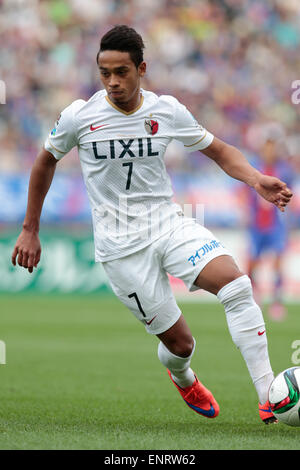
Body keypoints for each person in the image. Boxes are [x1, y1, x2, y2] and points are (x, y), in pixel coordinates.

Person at [11, 25, 292, 424]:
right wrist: (30, 228)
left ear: (141, 68)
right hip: (121, 249)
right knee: (180, 344)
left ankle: (268, 395)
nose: (112, 82)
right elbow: (45, 161)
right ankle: (183, 376)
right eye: (104, 72)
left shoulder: (166, 110)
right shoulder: (80, 115)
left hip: (169, 226)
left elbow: (220, 150)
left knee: (237, 285)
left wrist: (255, 179)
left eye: (121, 72)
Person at [247, 134, 294, 321]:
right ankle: (255, 297)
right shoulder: (254, 168)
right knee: (251, 264)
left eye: (272, 148)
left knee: (277, 263)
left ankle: (276, 302)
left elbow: (292, 194)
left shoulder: (283, 171)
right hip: (256, 224)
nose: (269, 151)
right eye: (266, 147)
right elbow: (243, 191)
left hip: (276, 224)